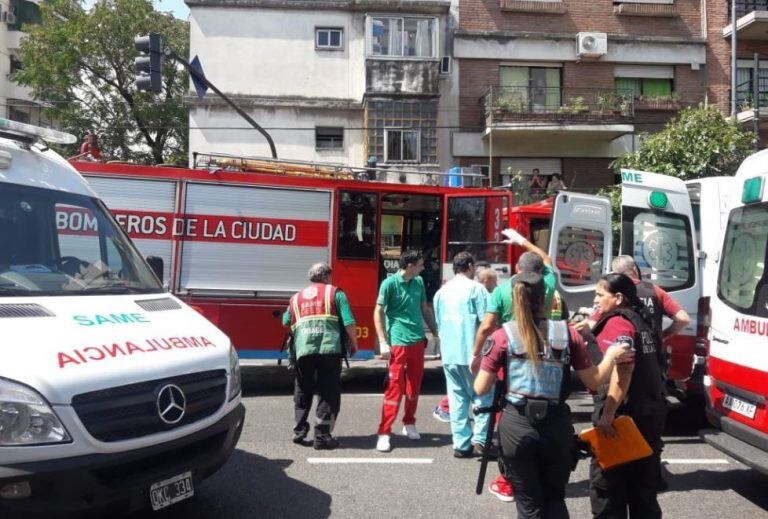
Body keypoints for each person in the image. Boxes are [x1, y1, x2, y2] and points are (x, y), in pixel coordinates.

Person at [474, 273, 634, 518]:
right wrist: (611, 356)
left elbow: (480, 388)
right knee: (555, 500)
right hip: (556, 427)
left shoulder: (502, 336)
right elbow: (594, 379)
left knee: (529, 505)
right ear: (547, 298)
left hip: (517, 427)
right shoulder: (568, 335)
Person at [588, 273, 666, 518]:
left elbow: (624, 369)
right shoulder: (642, 320)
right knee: (643, 490)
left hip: (623, 418)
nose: (595, 300)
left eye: (601, 295)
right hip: (650, 413)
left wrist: (608, 415)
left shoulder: (618, 322)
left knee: (608, 490)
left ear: (618, 297)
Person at [283, 262, 358, 450]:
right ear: (327, 276)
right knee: (327, 391)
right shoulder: (335, 293)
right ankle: (322, 436)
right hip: (329, 349)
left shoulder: (296, 298)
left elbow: (285, 321)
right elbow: (348, 321)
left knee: (302, 388)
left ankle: (299, 430)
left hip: (303, 350)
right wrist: (354, 342)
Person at [375, 249, 439, 452]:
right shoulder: (389, 283)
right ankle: (384, 432)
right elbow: (378, 312)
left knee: (414, 386)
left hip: (417, 341)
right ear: (410, 265)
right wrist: (383, 341)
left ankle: (409, 422)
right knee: (394, 388)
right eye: (420, 264)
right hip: (398, 342)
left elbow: (424, 309)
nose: (422, 267)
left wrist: (436, 333)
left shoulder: (418, 282)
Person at [433, 252, 494, 458]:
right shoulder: (477, 289)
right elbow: (486, 325)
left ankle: (461, 444)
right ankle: (481, 440)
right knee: (483, 396)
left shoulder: (441, 292)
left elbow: (439, 324)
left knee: (457, 398)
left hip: (450, 353)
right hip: (473, 353)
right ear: (469, 266)